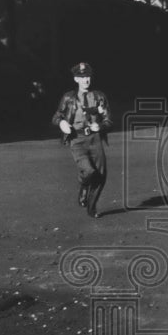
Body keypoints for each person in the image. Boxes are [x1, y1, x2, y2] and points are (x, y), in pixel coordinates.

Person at [52, 62, 111, 218]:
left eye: (88, 77)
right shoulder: (69, 98)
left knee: (101, 174)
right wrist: (62, 123)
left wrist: (101, 126)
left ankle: (92, 207)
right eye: (82, 77)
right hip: (77, 139)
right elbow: (56, 116)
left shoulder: (99, 97)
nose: (86, 81)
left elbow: (108, 120)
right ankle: (84, 185)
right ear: (76, 79)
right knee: (88, 171)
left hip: (95, 139)